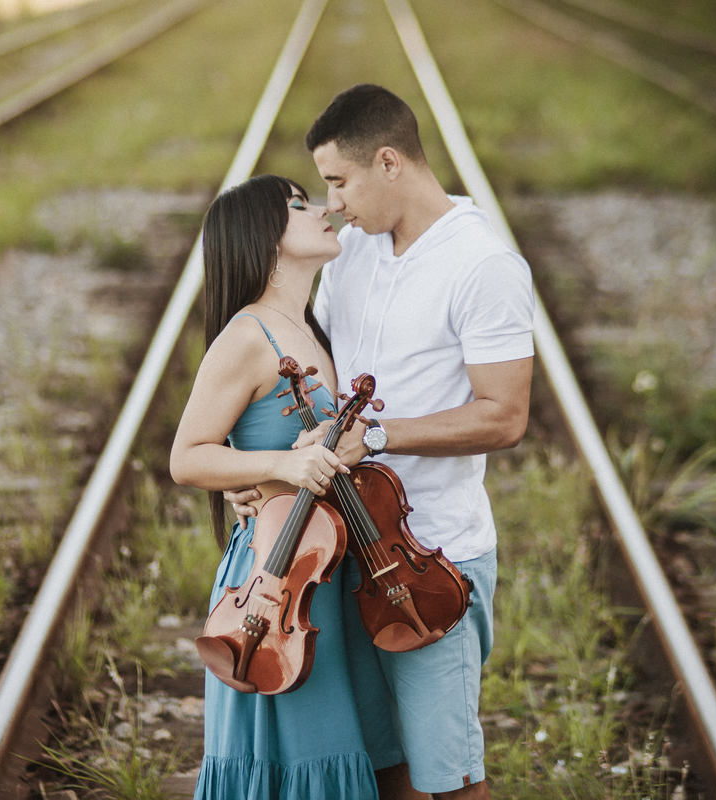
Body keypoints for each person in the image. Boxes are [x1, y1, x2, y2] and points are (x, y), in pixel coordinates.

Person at [229, 84, 535, 799]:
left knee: (451, 777)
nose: (331, 202)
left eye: (339, 181)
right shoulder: (355, 253)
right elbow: (324, 391)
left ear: (389, 163)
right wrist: (268, 474)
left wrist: (384, 435)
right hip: (338, 554)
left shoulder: (483, 264)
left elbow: (505, 416)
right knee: (380, 768)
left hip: (428, 562)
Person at [169, 174, 379, 799]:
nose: (320, 210)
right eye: (297, 205)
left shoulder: (310, 328)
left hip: (322, 568)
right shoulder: (247, 335)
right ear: (266, 239)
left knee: (334, 744)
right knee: (296, 756)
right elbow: (187, 458)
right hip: (277, 573)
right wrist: (281, 468)